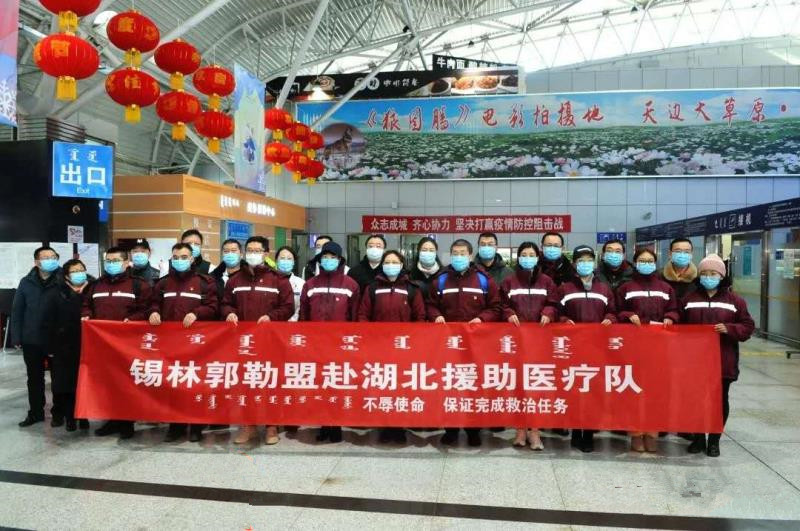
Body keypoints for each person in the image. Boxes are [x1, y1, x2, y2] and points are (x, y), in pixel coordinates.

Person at [427, 239, 502, 447]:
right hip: (448, 343)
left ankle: (473, 429)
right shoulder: (441, 280)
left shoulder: (483, 280)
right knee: (450, 384)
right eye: (455, 253)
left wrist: (482, 319)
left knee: (473, 385)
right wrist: (436, 316)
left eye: (462, 253)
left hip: (476, 343)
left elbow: (496, 307)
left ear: (470, 256)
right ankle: (450, 429)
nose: (458, 257)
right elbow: (430, 305)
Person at [222, 236, 294, 445]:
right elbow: (225, 303)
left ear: (266, 254)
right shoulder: (235, 280)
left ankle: (272, 427)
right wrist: (229, 313)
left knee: (271, 383)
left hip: (270, 341)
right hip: (244, 343)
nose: (253, 254)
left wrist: (271, 317)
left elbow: (288, 307)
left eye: (257, 250)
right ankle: (249, 426)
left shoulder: (279, 280)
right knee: (247, 384)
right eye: (250, 250)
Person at [681, 254, 754, 458]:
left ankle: (714, 440)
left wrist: (730, 329)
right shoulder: (689, 299)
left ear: (721, 275)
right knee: (695, 401)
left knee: (719, 401)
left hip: (723, 360)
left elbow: (747, 326)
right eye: (704, 273)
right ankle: (698, 439)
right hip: (694, 361)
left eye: (713, 273)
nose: (708, 277)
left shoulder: (735, 301)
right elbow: (679, 324)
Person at [149, 243, 219, 443]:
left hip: (197, 344)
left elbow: (213, 307)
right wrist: (153, 311)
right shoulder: (163, 283)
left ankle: (196, 425)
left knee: (195, 384)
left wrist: (196, 313)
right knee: (173, 384)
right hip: (170, 344)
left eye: (184, 257)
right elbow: (153, 303)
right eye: (176, 257)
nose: (179, 260)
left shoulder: (205, 282)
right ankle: (175, 426)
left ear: (192, 259)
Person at [82, 247, 152, 439]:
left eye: (115, 261)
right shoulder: (96, 285)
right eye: (108, 261)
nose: (111, 264)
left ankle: (126, 422)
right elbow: (86, 305)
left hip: (128, 344)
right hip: (102, 344)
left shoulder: (138, 285)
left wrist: (133, 319)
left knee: (127, 384)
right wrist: (86, 315)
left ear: (126, 263)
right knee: (108, 383)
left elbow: (147, 309)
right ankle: (112, 419)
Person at [358, 250, 426, 444]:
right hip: (379, 347)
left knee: (401, 388)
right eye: (387, 262)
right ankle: (385, 426)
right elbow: (363, 315)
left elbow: (420, 317)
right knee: (383, 386)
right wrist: (369, 338)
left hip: (403, 348)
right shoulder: (372, 288)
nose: (391, 265)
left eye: (395, 262)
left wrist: (412, 340)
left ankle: (399, 426)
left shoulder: (411, 289)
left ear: (402, 264)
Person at [616, 249, 679, 453]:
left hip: (659, 347)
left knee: (656, 392)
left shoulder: (665, 288)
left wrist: (670, 317)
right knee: (633, 391)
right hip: (633, 347)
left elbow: (674, 309)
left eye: (650, 261)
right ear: (635, 263)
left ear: (655, 263)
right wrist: (627, 314)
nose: (646, 264)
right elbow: (617, 311)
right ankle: (635, 434)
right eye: (642, 260)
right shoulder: (626, 288)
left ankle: (652, 433)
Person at [299, 241, 360, 443]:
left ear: (340, 260)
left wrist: (351, 342)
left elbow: (355, 317)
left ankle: (336, 425)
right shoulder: (310, 285)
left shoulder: (350, 285)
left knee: (337, 385)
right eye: (325, 257)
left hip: (340, 345)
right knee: (320, 385)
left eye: (333, 257)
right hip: (316, 345)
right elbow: (304, 316)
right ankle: (324, 424)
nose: (328, 260)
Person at [557, 245, 616, 453]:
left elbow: (613, 311)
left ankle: (589, 433)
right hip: (572, 348)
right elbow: (557, 312)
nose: (585, 264)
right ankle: (575, 432)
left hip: (596, 348)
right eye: (581, 260)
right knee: (574, 390)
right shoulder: (565, 288)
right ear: (574, 264)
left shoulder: (604, 288)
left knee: (593, 391)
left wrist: (610, 318)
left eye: (589, 260)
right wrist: (564, 321)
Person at [499, 242, 558, 451]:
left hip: (540, 341)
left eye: (531, 254)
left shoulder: (547, 281)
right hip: (516, 341)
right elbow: (501, 304)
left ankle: (535, 431)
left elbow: (554, 303)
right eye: (523, 254)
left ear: (537, 257)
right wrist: (508, 313)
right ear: (518, 257)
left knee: (536, 386)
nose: (527, 258)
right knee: (518, 386)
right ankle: (520, 430)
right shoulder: (509, 281)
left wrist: (548, 313)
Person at [10, 246, 62, 428]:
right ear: (37, 262)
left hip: (57, 339)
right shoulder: (26, 282)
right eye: (46, 257)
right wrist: (16, 337)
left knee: (59, 378)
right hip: (32, 338)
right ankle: (36, 413)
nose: (51, 260)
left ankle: (59, 413)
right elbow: (17, 310)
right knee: (34, 379)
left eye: (53, 256)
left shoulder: (63, 279)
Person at [41, 259, 91, 432]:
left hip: (87, 344)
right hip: (63, 345)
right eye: (74, 271)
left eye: (81, 269)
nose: (79, 273)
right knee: (64, 383)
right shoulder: (56, 292)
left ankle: (83, 416)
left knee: (83, 382)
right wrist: (49, 347)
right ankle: (68, 417)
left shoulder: (92, 288)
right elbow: (47, 321)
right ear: (67, 276)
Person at [275, 246, 304, 321]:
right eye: (282, 258)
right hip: (273, 323)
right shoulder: (269, 281)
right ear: (276, 261)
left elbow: (302, 308)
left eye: (289, 259)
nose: (286, 261)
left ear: (294, 262)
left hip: (295, 324)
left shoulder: (301, 283)